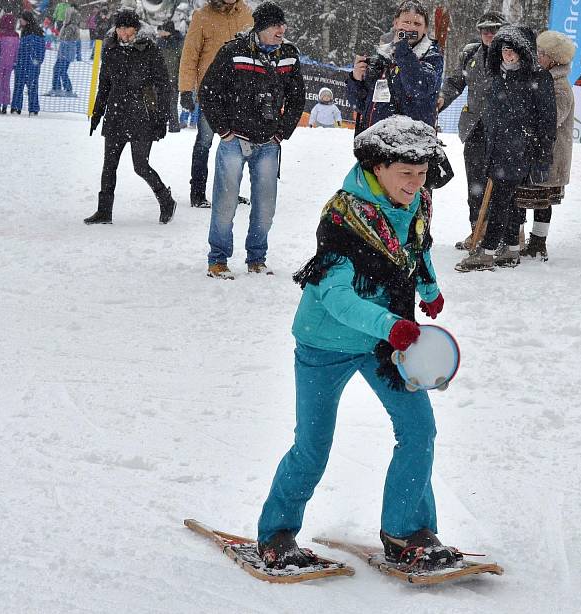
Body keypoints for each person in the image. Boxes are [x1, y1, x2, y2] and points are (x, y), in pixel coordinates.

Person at [255, 115, 458, 571]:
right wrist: (391, 324)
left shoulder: (414, 202)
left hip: (384, 345)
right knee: (313, 446)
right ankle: (277, 534)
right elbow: (336, 297)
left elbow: (417, 248)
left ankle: (406, 530)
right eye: (405, 173)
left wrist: (429, 290)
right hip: (325, 344)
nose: (415, 183)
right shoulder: (344, 218)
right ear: (377, 167)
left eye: (422, 173)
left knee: (419, 430)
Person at [199, 1, 305, 278]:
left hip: (269, 143)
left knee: (265, 206)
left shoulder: (289, 56)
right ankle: (218, 260)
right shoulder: (233, 51)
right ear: (260, 28)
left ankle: (257, 258)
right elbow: (208, 92)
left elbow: (297, 98)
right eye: (274, 25)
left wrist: (282, 132)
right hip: (234, 141)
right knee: (225, 203)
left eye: (283, 24)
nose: (281, 29)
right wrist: (224, 130)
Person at [456, 25, 556, 272]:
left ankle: (488, 251)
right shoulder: (497, 75)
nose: (507, 55)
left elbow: (547, 118)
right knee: (510, 200)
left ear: (523, 51)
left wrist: (542, 150)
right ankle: (511, 249)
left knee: (501, 199)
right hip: (496, 147)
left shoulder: (537, 77)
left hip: (520, 148)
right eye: (503, 50)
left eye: (513, 50)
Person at [85, 9, 176, 226]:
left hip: (142, 114)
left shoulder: (149, 50)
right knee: (109, 165)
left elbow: (164, 85)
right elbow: (104, 85)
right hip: (116, 114)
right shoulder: (110, 49)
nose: (124, 33)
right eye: (120, 28)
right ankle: (104, 211)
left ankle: (166, 199)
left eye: (128, 29)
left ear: (136, 29)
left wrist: (162, 118)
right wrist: (97, 113)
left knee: (140, 165)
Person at [437, 10, 506, 251]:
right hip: (474, 128)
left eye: (493, 29)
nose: (488, 33)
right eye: (483, 29)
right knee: (475, 185)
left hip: (502, 131)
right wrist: (442, 98)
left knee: (502, 185)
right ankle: (476, 231)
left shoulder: (511, 56)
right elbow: (456, 81)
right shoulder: (470, 55)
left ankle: (502, 236)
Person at [178, 0, 253, 208]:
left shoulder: (247, 14)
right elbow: (190, 55)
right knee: (205, 142)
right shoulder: (202, 16)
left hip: (240, 93)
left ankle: (231, 192)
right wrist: (186, 89)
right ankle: (198, 193)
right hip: (211, 93)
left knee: (236, 145)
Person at [517, 29, 576, 262]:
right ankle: (527, 239)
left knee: (542, 199)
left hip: (550, 153)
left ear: (554, 58)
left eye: (542, 53)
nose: (537, 56)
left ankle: (539, 242)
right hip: (538, 150)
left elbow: (550, 120)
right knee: (527, 196)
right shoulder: (542, 78)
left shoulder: (559, 87)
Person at [347, 0, 443, 136]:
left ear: (425, 29)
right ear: (396, 23)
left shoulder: (433, 56)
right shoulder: (382, 55)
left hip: (411, 146)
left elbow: (417, 87)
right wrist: (356, 79)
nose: (410, 28)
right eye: (406, 22)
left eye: (417, 24)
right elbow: (360, 105)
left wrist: (402, 48)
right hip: (374, 143)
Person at [10, 11, 46, 116]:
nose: (20, 20)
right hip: (32, 65)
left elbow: (21, 50)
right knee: (32, 86)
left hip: (23, 64)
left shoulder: (27, 33)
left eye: (22, 18)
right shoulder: (38, 32)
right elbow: (41, 50)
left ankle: (16, 108)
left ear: (26, 19)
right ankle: (33, 109)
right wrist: (38, 61)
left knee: (19, 86)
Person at [155, 20, 183, 133]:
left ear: (168, 31)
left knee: (172, 103)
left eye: (162, 30)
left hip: (173, 78)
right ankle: (159, 125)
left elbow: (181, 62)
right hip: (160, 78)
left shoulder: (178, 43)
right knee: (158, 102)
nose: (160, 32)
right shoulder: (160, 42)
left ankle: (174, 126)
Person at [47, 0, 79, 96]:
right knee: (57, 69)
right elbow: (62, 38)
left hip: (66, 53)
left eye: (66, 16)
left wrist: (61, 39)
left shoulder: (71, 27)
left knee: (61, 70)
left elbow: (67, 39)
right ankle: (56, 88)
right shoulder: (67, 26)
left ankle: (68, 89)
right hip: (63, 53)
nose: (65, 18)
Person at [0, 14, 19, 114]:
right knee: (6, 83)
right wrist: (14, 62)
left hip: (0, 63)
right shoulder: (16, 36)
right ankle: (5, 105)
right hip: (10, 64)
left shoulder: (1, 34)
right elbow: (17, 51)